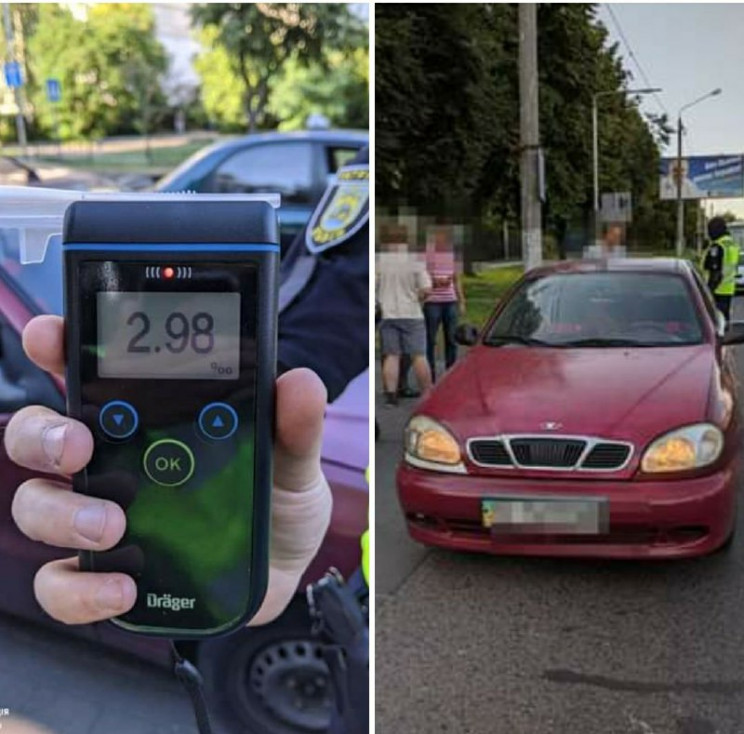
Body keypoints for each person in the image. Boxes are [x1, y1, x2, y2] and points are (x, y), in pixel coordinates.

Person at [376, 227, 433, 406]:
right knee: (419, 355)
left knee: (392, 356)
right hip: (412, 313)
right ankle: (427, 393)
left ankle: (391, 397)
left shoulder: (378, 261)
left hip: (388, 314)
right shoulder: (414, 261)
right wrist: (419, 298)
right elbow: (426, 288)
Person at [423, 227, 465, 381]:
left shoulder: (453, 255)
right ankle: (430, 375)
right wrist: (435, 282)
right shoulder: (427, 255)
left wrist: (461, 301)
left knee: (451, 339)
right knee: (430, 339)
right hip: (432, 302)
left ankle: (450, 374)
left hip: (450, 301)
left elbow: (457, 279)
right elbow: (423, 276)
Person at [702, 215, 740, 321]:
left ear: (715, 230)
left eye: (709, 230)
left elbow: (715, 273)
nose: (709, 234)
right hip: (728, 289)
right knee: (724, 320)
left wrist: (707, 293)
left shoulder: (717, 246)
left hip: (716, 291)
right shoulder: (731, 244)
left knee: (714, 321)